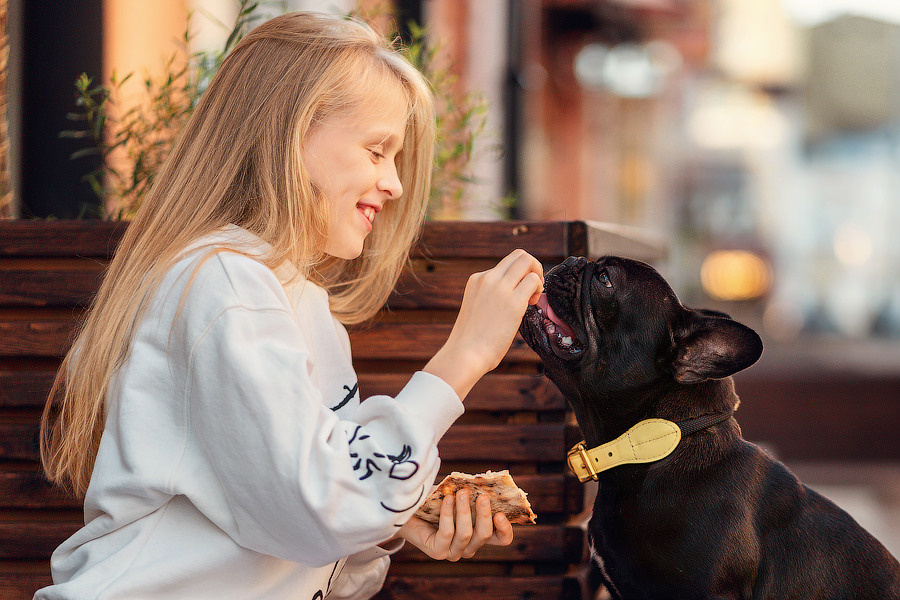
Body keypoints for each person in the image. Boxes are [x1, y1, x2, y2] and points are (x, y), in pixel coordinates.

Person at [35, 11, 544, 600]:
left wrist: (391, 522)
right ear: (295, 134)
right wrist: (466, 357)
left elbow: (306, 521)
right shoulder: (222, 282)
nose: (395, 185)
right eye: (378, 151)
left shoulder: (299, 305)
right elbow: (317, 507)